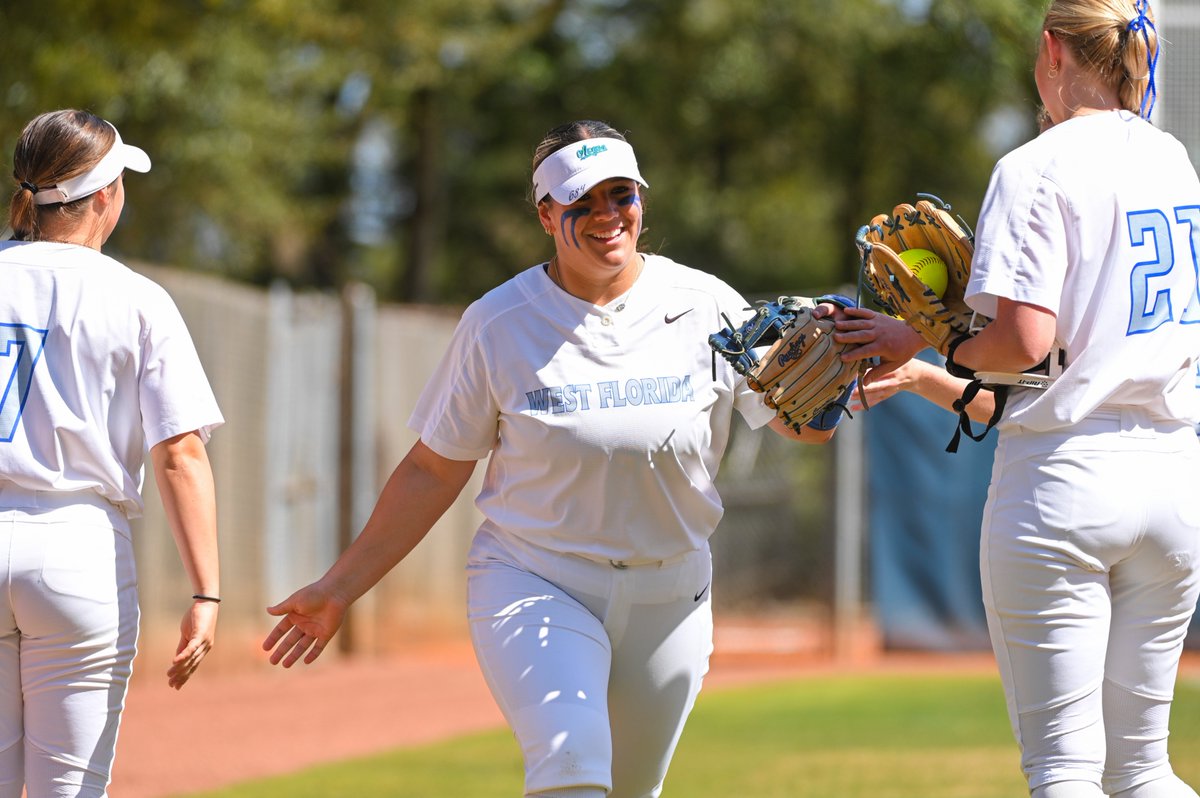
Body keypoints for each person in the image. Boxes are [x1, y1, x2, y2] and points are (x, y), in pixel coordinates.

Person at [262, 119, 848, 798]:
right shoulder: (499, 321)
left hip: (672, 592)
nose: (607, 216)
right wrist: (338, 589)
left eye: (620, 195)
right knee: (570, 771)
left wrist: (841, 375)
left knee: (630, 790)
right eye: (582, 202)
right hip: (538, 579)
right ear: (546, 214)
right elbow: (432, 468)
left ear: (642, 200)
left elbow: (805, 428)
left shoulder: (704, 304)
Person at [833, 2, 1200, 795]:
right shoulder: (1173, 157)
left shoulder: (1037, 165)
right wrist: (935, 359)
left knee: (1065, 769)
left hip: (1066, 480)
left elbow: (1025, 347)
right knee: (1144, 768)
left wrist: (937, 336)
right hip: (1174, 479)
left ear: (1051, 50)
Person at [0, 109, 224, 797]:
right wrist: (207, 592)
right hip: (77, 550)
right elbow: (180, 453)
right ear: (105, 195)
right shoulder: (137, 298)